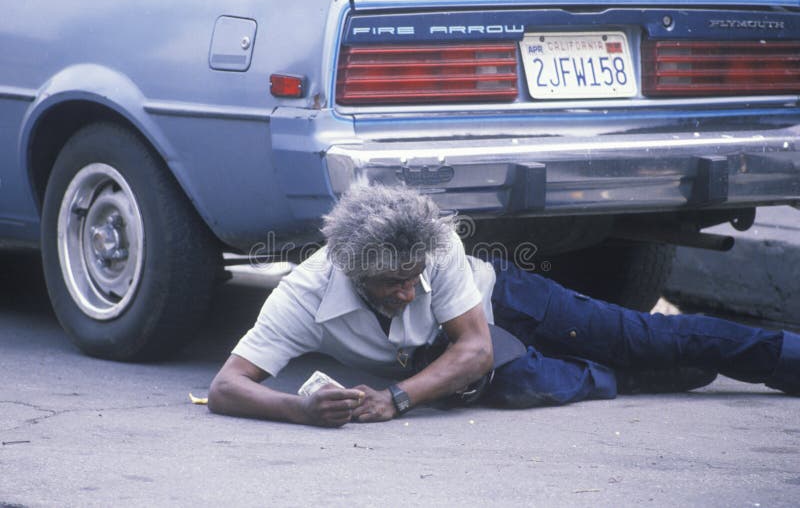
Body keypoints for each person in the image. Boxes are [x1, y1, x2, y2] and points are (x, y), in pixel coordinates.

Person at [208, 185, 800, 427]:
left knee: (648, 336)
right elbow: (225, 388)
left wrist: (396, 398)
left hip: (505, 302)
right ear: (352, 271)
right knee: (520, 386)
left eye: (416, 277)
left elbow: (475, 345)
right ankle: (647, 375)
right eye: (394, 285)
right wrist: (299, 409)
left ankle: (784, 358)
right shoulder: (304, 293)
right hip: (460, 354)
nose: (410, 292)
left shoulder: (434, 242)